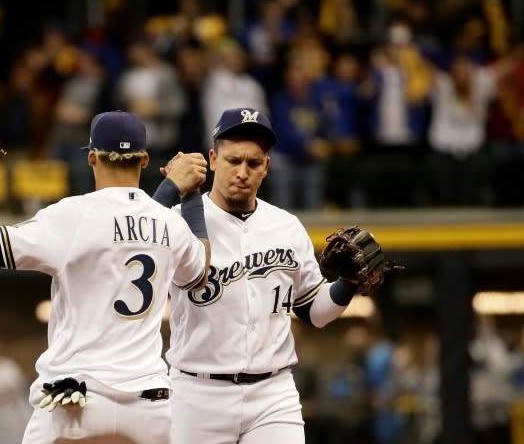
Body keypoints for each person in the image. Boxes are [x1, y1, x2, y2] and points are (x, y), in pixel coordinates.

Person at [0, 110, 211, 443]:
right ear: (145, 159)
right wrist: (191, 195)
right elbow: (199, 271)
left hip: (78, 403)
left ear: (92, 157)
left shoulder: (72, 215)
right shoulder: (169, 222)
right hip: (151, 407)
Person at [154, 107, 377, 443]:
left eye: (254, 163)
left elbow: (313, 312)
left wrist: (347, 285)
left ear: (267, 167)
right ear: (213, 159)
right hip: (197, 393)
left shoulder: (286, 226)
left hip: (272, 395)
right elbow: (134, 244)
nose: (243, 171)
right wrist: (170, 188)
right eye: (233, 160)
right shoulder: (181, 219)